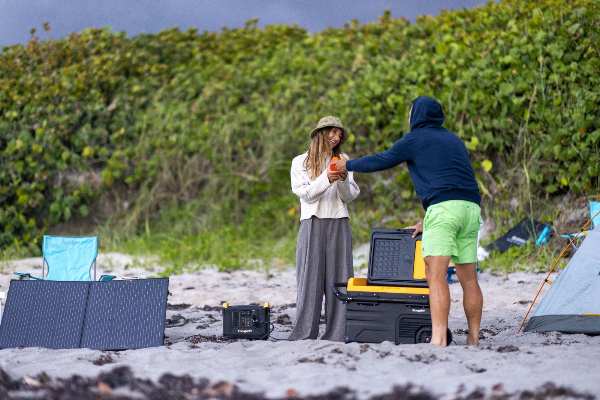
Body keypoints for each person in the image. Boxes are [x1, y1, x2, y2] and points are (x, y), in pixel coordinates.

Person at [333, 96, 483, 346]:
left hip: (444, 210)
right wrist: (428, 221)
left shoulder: (415, 139)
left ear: (416, 116)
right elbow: (451, 179)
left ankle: (437, 339)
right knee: (469, 279)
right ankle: (474, 338)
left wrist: (347, 164)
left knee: (435, 276)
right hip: (470, 208)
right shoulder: (454, 140)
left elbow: (382, 160)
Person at [288, 116, 360, 341]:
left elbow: (349, 196)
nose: (336, 137)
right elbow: (307, 195)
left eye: (339, 134)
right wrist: (327, 177)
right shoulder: (300, 162)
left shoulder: (344, 159)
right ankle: (304, 332)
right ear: (320, 133)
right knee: (309, 279)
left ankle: (338, 332)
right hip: (312, 223)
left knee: (340, 278)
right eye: (332, 131)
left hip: (339, 222)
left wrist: (342, 178)